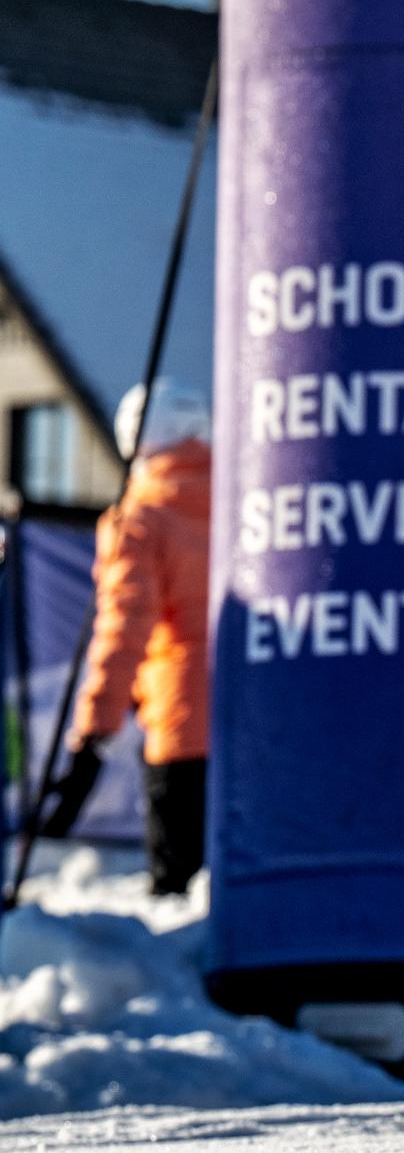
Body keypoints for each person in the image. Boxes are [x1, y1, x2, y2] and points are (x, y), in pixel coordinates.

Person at [36, 380, 215, 894]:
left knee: (178, 894)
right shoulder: (241, 507)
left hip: (182, 727)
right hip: (247, 725)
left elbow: (122, 632)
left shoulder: (140, 520)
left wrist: (92, 735)